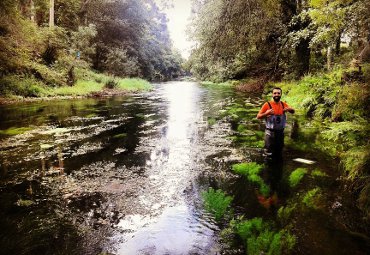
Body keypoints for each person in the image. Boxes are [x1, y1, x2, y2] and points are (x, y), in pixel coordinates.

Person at [257, 87, 295, 161]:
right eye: (275, 93)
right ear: (272, 94)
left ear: (281, 94)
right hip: (270, 133)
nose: (276, 95)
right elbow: (258, 116)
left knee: (279, 153)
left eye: (278, 93)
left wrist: (290, 109)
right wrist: (266, 113)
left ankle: (278, 168)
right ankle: (269, 169)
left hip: (280, 133)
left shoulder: (283, 104)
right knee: (268, 154)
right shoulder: (267, 104)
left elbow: (293, 111)